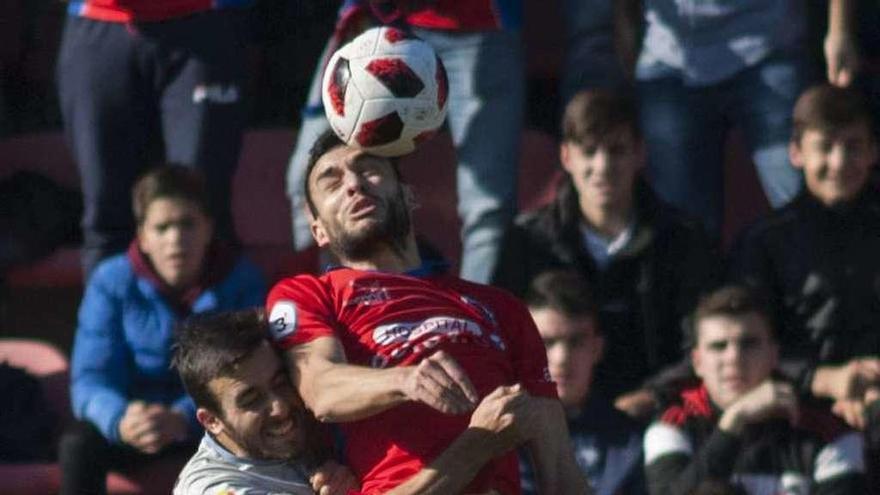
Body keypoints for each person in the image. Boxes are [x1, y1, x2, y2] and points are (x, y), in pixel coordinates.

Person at [266, 129, 589, 494]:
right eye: (332, 182)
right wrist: (405, 381)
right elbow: (322, 390)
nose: (353, 184)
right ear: (318, 230)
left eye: (369, 168)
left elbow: (560, 470)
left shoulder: (502, 308)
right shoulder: (308, 294)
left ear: (407, 194)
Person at [492, 89, 720, 420]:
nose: (603, 166)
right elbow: (503, 339)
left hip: (655, 416)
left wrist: (650, 397)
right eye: (589, 151)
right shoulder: (528, 240)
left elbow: (700, 342)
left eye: (617, 150)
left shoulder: (683, 239)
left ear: (640, 153)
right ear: (567, 157)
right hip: (547, 418)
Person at [172, 308, 551, 494]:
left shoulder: (302, 434)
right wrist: (477, 446)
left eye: (280, 382)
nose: (280, 407)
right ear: (211, 421)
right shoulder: (211, 488)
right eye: (252, 400)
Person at [59, 166, 266, 495]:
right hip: (134, 426)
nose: (175, 239)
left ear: (208, 228)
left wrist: (183, 418)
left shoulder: (243, 283)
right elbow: (90, 379)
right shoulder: (111, 281)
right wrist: (120, 418)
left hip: (210, 424)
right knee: (77, 445)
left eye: (187, 224)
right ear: (142, 236)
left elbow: (249, 376)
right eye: (162, 227)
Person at [286, 0, 526, 283]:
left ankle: (474, 317)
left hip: (475, 21)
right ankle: (327, 305)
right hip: (372, 18)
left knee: (487, 207)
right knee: (306, 181)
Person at [614, 0, 861, 238]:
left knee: (809, 201)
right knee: (681, 229)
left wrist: (840, 30)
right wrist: (625, 31)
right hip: (669, 59)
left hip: (769, 44)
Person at [57, 0, 250, 276]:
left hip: (201, 19)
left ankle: (213, 319)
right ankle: (110, 319)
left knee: (202, 201)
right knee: (106, 211)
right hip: (100, 20)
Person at [729, 84, 880, 429]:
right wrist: (821, 379)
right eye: (824, 147)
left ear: (874, 151)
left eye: (853, 146)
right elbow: (741, 341)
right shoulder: (762, 242)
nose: (839, 162)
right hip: (791, 413)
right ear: (796, 153)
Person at [644, 285, 867, 494]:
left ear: (774, 355)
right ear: (697, 362)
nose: (734, 358)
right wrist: (732, 423)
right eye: (718, 346)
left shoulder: (831, 433)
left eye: (748, 344)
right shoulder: (672, 425)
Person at [519, 271, 646, 495]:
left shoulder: (630, 441)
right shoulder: (497, 435)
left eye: (576, 342)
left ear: (597, 349)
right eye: (546, 342)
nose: (561, 358)